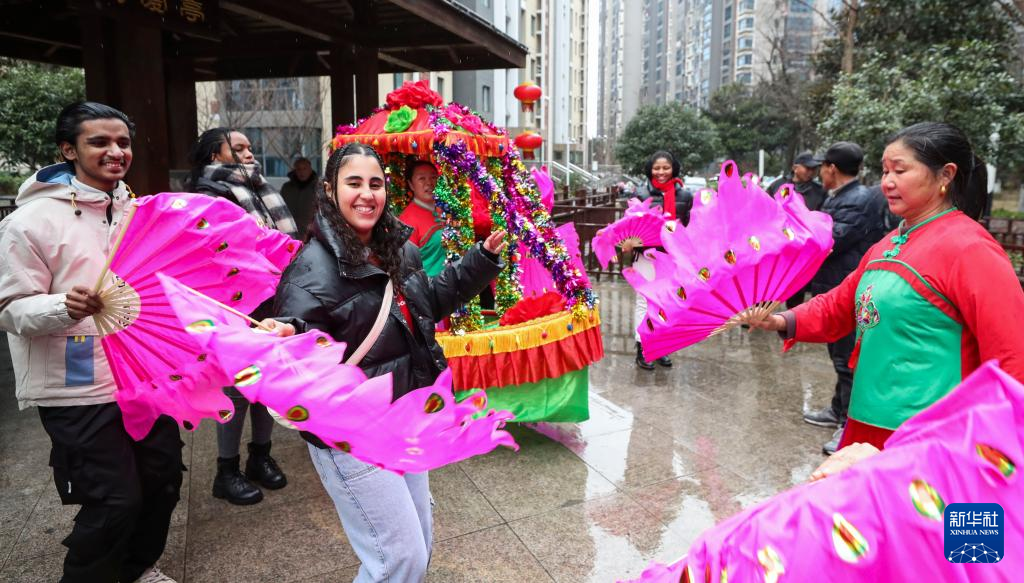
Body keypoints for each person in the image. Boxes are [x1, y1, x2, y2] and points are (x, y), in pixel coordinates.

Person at [268, 142, 505, 583]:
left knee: (420, 545)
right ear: (329, 190)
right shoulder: (309, 270)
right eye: (353, 183)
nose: (366, 194)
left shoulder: (400, 249)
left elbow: (427, 304)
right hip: (350, 435)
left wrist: (481, 260)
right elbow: (298, 340)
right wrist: (288, 333)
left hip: (406, 416)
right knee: (399, 559)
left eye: (375, 183)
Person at [755, 122, 1024, 454]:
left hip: (930, 438)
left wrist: (997, 449)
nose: (887, 182)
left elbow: (1012, 356)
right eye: (884, 171)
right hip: (867, 420)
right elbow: (842, 303)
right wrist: (778, 320)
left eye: (900, 170)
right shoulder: (888, 243)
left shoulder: (971, 248)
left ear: (946, 174)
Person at [0, 102, 181, 583]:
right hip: (76, 383)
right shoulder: (30, 222)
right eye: (99, 142)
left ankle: (137, 569)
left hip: (143, 376)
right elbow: (9, 309)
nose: (115, 152)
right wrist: (64, 305)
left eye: (123, 142)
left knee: (163, 480)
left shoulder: (140, 211)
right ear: (68, 149)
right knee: (114, 499)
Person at [186, 128, 297, 505]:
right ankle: (226, 470)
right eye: (239, 148)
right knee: (236, 386)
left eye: (250, 146)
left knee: (268, 381)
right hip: (234, 301)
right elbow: (214, 251)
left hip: (271, 297)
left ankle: (259, 457)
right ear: (214, 154)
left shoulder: (259, 187)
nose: (250, 153)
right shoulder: (208, 195)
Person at [795, 141, 885, 455]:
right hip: (834, 284)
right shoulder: (841, 196)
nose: (820, 172)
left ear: (831, 168)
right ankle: (837, 409)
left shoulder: (856, 200)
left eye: (822, 167)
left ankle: (849, 425)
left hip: (845, 287)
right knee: (839, 355)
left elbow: (831, 240)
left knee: (848, 360)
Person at [631, 151, 694, 370]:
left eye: (665, 168)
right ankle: (642, 348)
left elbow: (688, 226)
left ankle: (660, 347)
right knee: (644, 301)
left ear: (673, 169)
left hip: (671, 256)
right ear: (650, 170)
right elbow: (631, 224)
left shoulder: (685, 196)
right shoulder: (640, 193)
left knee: (666, 302)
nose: (661, 172)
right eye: (656, 168)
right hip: (645, 254)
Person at [767, 152, 828, 309]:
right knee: (769, 284)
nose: (811, 172)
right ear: (795, 167)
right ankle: (762, 313)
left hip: (803, 246)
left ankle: (791, 317)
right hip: (778, 243)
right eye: (807, 168)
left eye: (813, 169)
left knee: (796, 287)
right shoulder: (777, 186)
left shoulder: (819, 191)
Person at [397, 160, 447, 277]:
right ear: (411, 184)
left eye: (433, 177)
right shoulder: (407, 221)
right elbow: (407, 268)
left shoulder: (446, 210)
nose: (429, 183)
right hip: (429, 285)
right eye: (422, 178)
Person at [280, 157, 318, 239]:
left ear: (310, 170)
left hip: (312, 236)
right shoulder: (286, 188)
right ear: (295, 171)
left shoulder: (318, 188)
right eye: (299, 169)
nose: (302, 172)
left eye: (304, 168)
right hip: (289, 234)